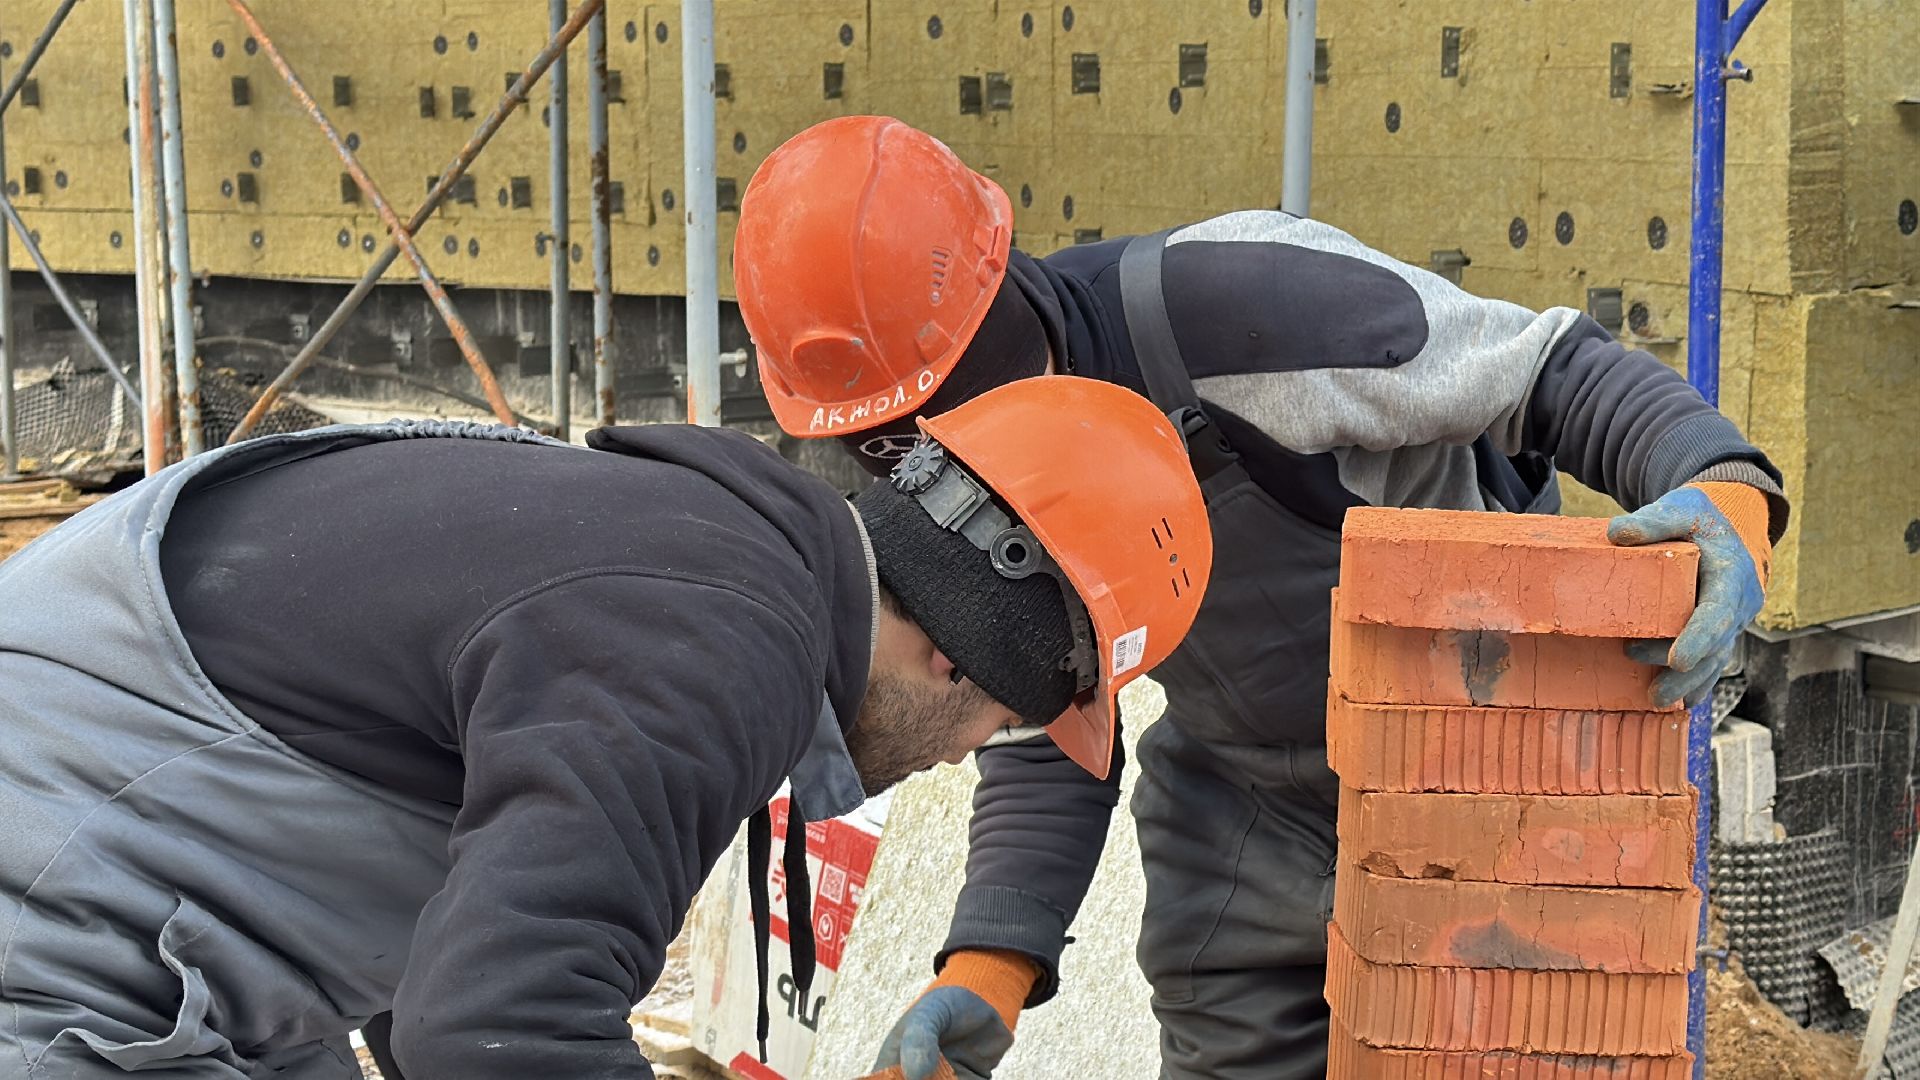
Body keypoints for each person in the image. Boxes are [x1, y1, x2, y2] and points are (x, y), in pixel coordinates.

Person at [735, 115, 1787, 1080]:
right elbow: (1046, 707)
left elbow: (1547, 368)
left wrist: (1724, 480)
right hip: (1244, 811)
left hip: (1485, 776)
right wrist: (990, 963)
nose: (948, 475)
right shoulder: (961, 482)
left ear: (996, 319)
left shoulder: (1244, 313)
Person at [0, 376, 1211, 1080]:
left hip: (148, 888)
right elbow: (497, 1026)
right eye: (997, 724)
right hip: (62, 931)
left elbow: (453, 981)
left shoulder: (696, 559)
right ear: (963, 645)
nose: (960, 756)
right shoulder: (720, 641)